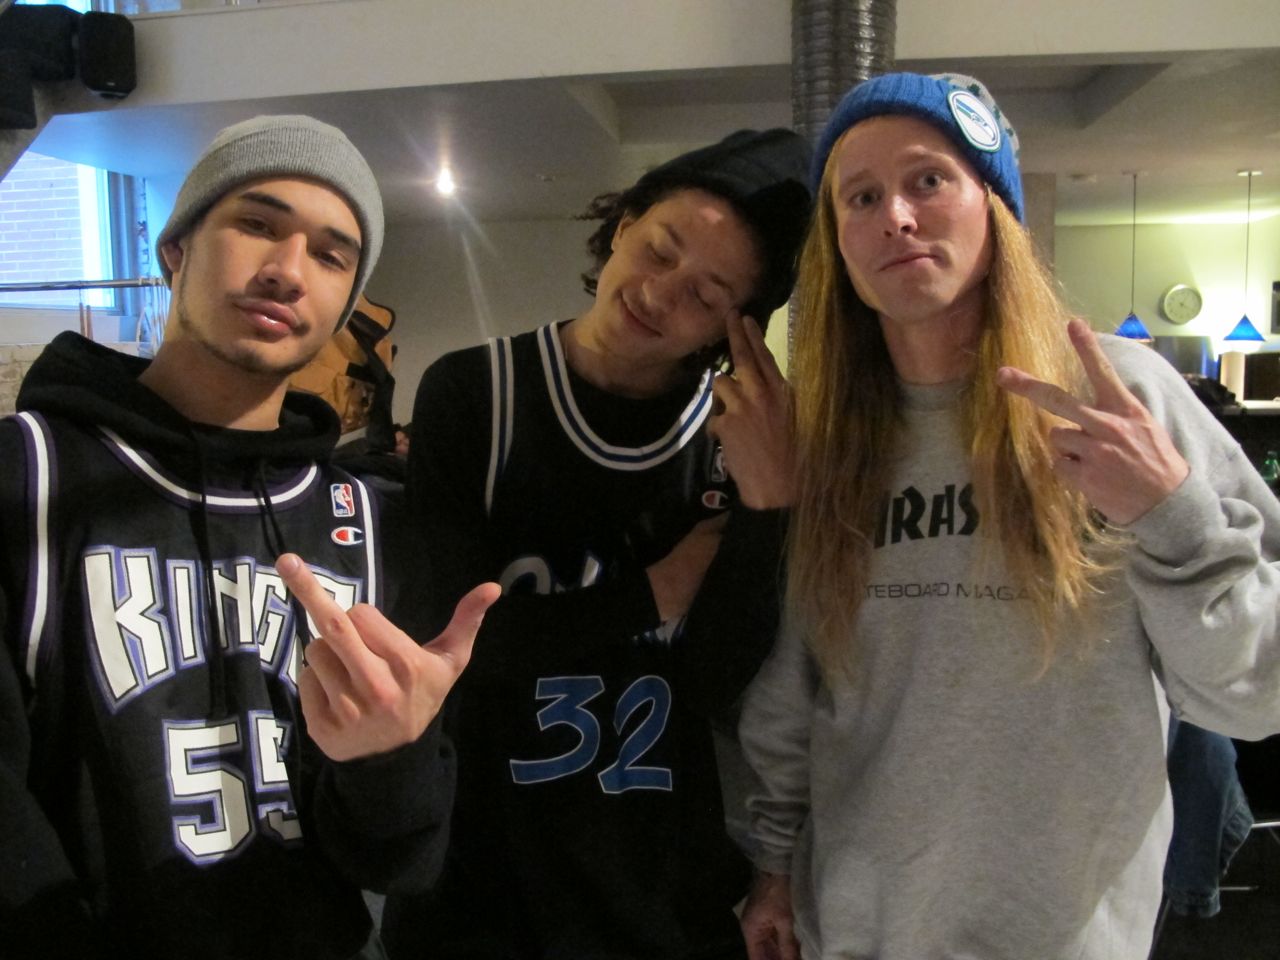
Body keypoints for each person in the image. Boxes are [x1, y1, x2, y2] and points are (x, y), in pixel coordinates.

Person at [736, 72, 1280, 960]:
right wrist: (771, 863)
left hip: (1062, 934)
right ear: (837, 245)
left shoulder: (1117, 397)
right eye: (861, 198)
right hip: (858, 929)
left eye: (928, 180)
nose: (896, 217)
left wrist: (1170, 513)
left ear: (996, 207)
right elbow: (797, 684)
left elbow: (1257, 696)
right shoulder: (832, 439)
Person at [0, 115, 496, 960]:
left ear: (347, 304)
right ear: (175, 249)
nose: (287, 271)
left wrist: (393, 756)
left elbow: (396, 862)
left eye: (331, 256)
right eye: (258, 224)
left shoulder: (370, 522)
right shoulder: (27, 478)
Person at [383, 130, 812, 959]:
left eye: (706, 293)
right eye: (659, 249)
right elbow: (448, 647)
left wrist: (769, 508)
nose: (658, 293)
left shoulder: (735, 440)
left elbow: (718, 681)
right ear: (622, 225)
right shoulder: (475, 393)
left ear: (737, 327)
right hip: (483, 876)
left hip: (655, 882)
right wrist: (654, 593)